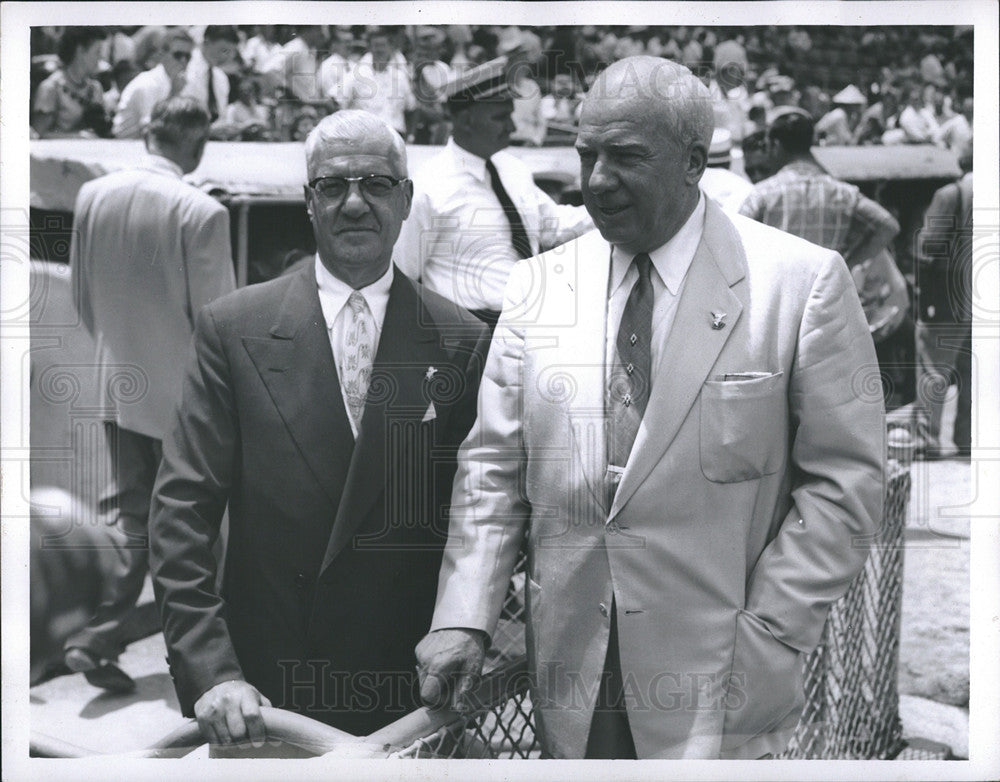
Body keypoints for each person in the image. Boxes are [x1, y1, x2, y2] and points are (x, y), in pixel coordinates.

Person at [415, 56, 884, 760]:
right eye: (586, 155)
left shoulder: (801, 284)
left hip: (724, 683)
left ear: (695, 161)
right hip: (570, 677)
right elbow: (492, 473)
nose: (598, 181)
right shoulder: (537, 287)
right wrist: (465, 616)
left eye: (626, 157)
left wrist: (771, 628)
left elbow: (847, 488)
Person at [148, 110, 488, 745]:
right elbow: (182, 511)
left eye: (377, 184)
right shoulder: (234, 328)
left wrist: (465, 628)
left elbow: (477, 519)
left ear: (407, 198)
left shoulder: (462, 341)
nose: (354, 203)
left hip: (407, 695)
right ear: (309, 202)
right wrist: (212, 671)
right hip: (264, 698)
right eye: (333, 186)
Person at [65, 97, 235, 692]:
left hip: (116, 386)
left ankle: (99, 633)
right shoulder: (202, 211)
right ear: (196, 145)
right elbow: (219, 324)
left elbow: (81, 298)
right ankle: (198, 660)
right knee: (190, 531)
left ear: (149, 135)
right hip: (184, 401)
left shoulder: (93, 195)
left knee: (131, 520)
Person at [396, 54, 592, 328]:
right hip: (462, 334)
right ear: (465, 120)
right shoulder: (429, 187)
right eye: (500, 117)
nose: (511, 127)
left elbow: (553, 224)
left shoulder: (514, 170)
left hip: (527, 325)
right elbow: (402, 275)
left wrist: (607, 215)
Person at [740, 108, 900, 269]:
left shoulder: (763, 194)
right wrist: (846, 265)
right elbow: (888, 226)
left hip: (779, 290)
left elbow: (735, 238)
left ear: (776, 145)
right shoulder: (843, 193)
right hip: (826, 288)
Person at [914, 168, 973, 458]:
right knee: (974, 371)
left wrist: (923, 293)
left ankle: (928, 441)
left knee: (932, 367)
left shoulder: (951, 194)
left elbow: (930, 245)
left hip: (949, 294)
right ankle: (967, 437)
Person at [112, 28, 194, 138]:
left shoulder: (181, 81)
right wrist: (173, 95)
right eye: (178, 55)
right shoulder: (148, 83)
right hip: (125, 145)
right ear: (163, 54)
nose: (183, 61)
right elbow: (151, 129)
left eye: (187, 56)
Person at [32, 26, 108, 138]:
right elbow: (38, 136)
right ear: (80, 51)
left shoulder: (96, 88)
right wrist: (76, 137)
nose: (100, 57)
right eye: (97, 52)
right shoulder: (51, 88)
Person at [338, 27, 416, 138]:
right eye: (376, 45)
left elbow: (412, 108)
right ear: (370, 48)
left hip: (395, 135)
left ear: (391, 48)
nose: (380, 50)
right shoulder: (356, 74)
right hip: (364, 136)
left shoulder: (401, 77)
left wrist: (411, 136)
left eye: (383, 45)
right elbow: (336, 102)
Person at [181, 25, 238, 137]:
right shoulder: (186, 71)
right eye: (223, 50)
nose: (227, 57)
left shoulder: (221, 78)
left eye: (231, 52)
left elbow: (221, 119)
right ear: (207, 43)